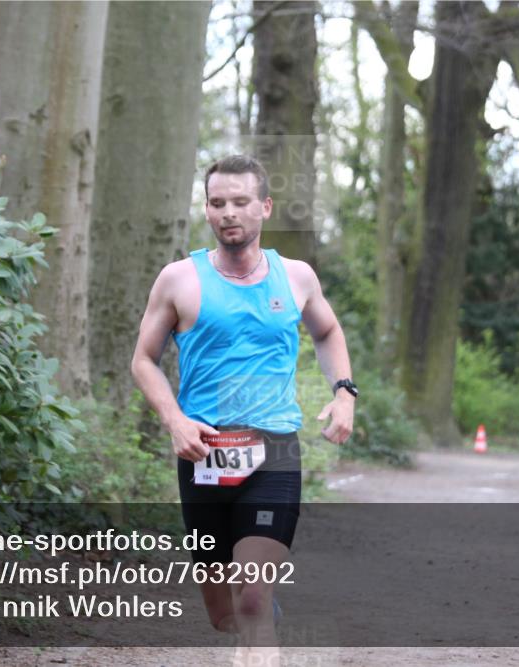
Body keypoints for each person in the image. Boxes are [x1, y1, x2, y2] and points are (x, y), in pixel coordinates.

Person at [131, 155, 356, 665]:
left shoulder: (295, 277)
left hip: (273, 450)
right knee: (225, 611)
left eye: (240, 202)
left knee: (251, 593)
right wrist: (175, 419)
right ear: (207, 211)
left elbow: (327, 331)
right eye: (217, 203)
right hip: (203, 453)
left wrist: (344, 392)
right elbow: (144, 361)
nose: (228, 212)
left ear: (264, 207)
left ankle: (259, 625)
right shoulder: (179, 280)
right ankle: (259, 624)